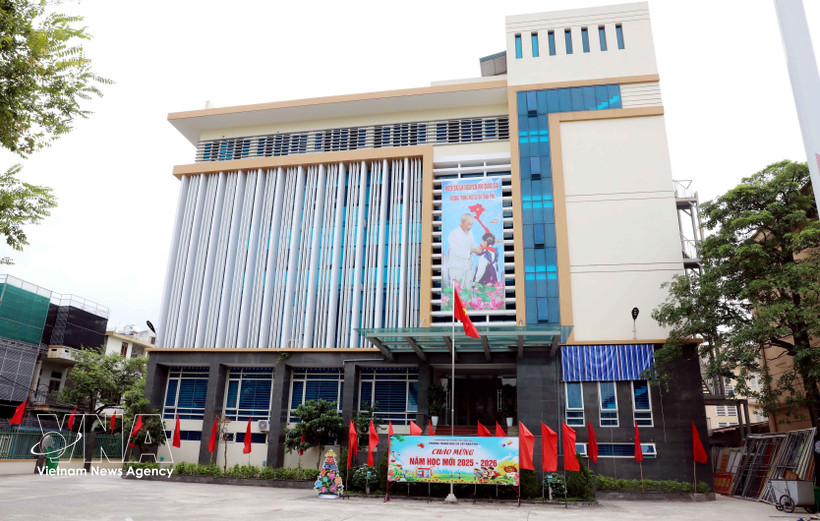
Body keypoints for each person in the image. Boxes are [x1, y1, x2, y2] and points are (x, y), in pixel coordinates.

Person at [447, 213, 482, 290]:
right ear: (462, 223)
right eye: (468, 224)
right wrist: (472, 250)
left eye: (472, 224)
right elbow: (456, 251)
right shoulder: (453, 234)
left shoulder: (470, 232)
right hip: (457, 267)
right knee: (458, 290)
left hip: (468, 267)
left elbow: (473, 244)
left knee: (468, 290)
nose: (470, 227)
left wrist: (478, 248)